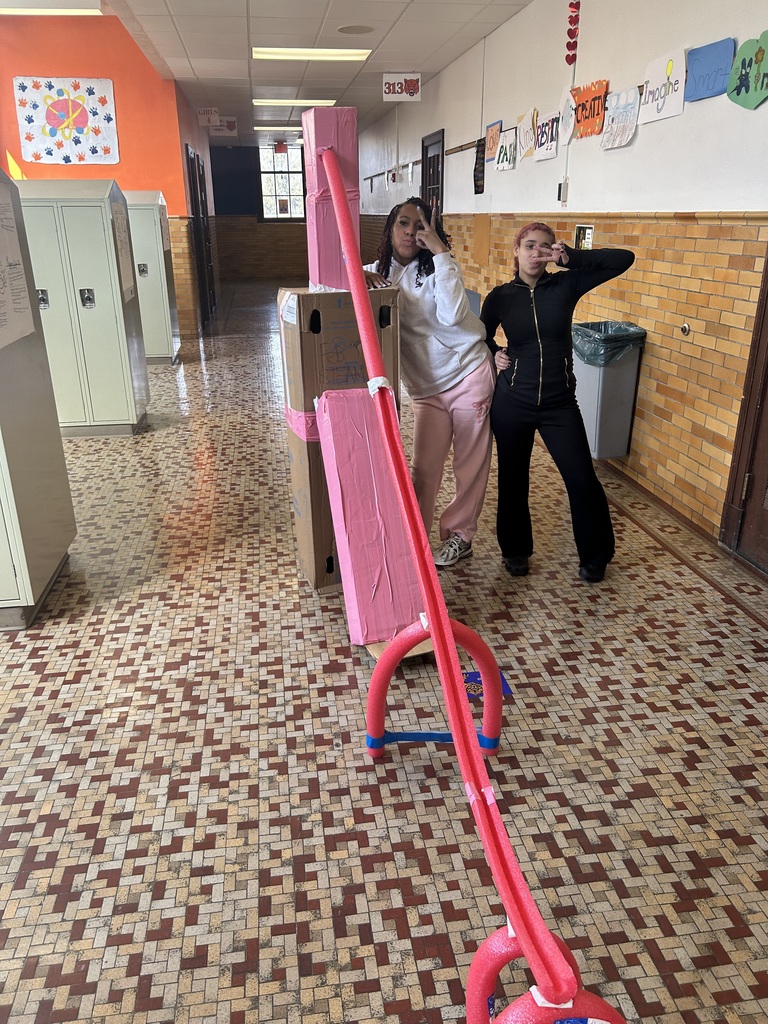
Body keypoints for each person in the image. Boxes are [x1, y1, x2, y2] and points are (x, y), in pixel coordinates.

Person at [480, 222, 635, 583]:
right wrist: (494, 353)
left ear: (553, 253)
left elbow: (623, 259)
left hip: (559, 405)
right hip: (513, 401)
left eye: (545, 247)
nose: (537, 253)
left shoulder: (566, 284)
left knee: (581, 478)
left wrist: (573, 259)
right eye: (530, 246)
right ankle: (516, 551)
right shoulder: (500, 296)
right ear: (517, 249)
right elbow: (481, 334)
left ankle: (596, 556)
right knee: (513, 478)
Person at [364, 197, 495, 568]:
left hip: (468, 373)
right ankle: (415, 539)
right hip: (427, 389)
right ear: (390, 230)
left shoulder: (439, 267)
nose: (410, 232)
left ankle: (460, 536)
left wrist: (439, 252)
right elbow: (329, 287)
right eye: (403, 223)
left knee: (469, 465)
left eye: (419, 225)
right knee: (425, 468)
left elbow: (454, 315)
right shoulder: (375, 272)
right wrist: (356, 277)